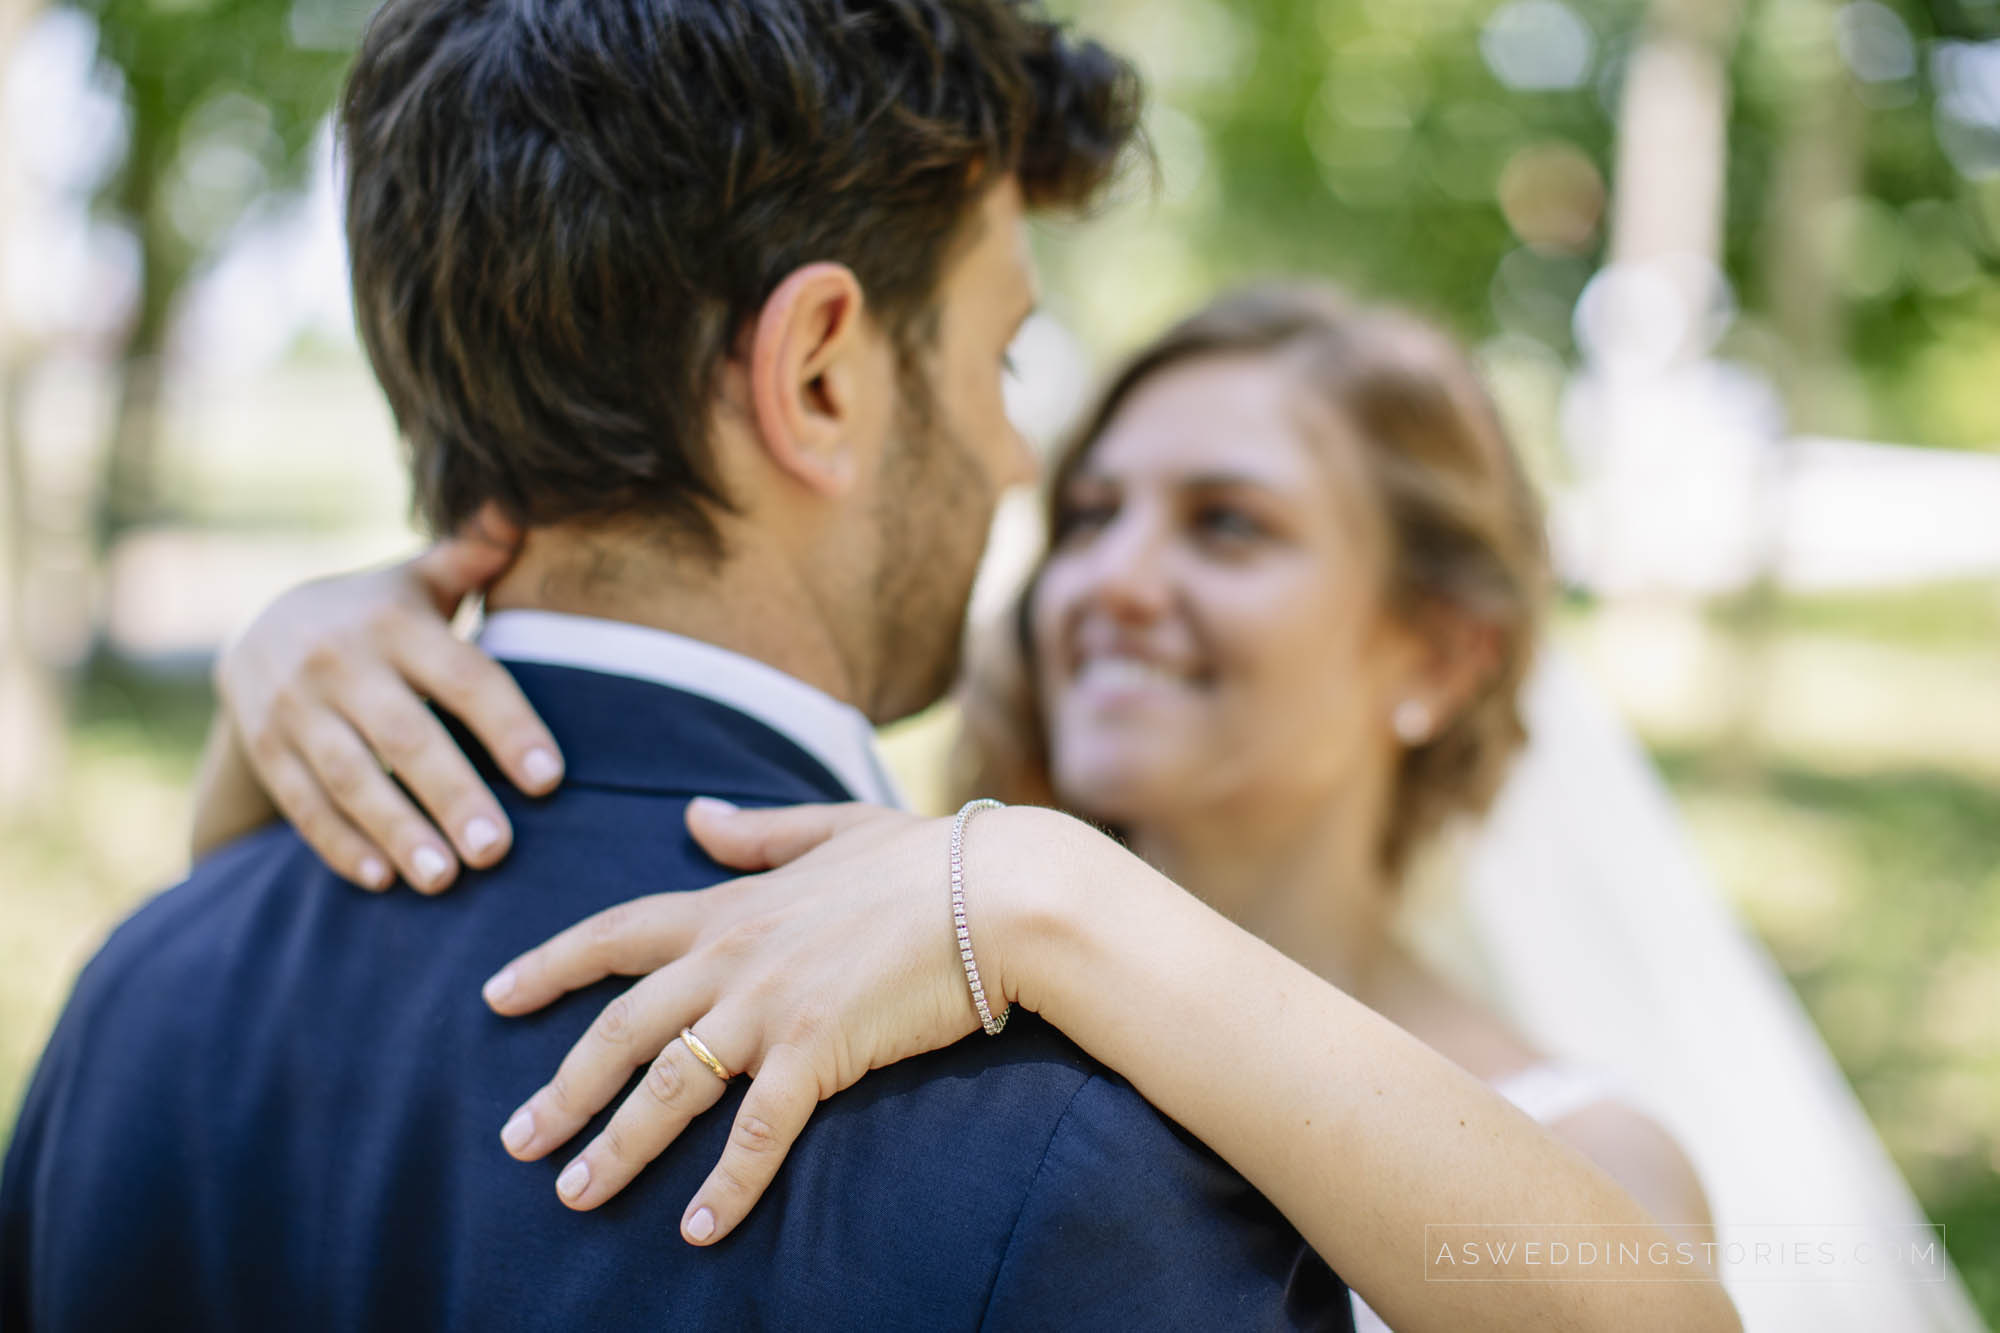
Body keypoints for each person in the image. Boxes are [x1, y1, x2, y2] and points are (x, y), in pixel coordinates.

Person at [167, 273, 1748, 1333]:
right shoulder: (873, 919)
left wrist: (1056, 893)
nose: (1112, 579)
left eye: (1228, 525)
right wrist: (277, 700)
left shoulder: (1578, 1134)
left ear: (1440, 653)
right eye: (1092, 514)